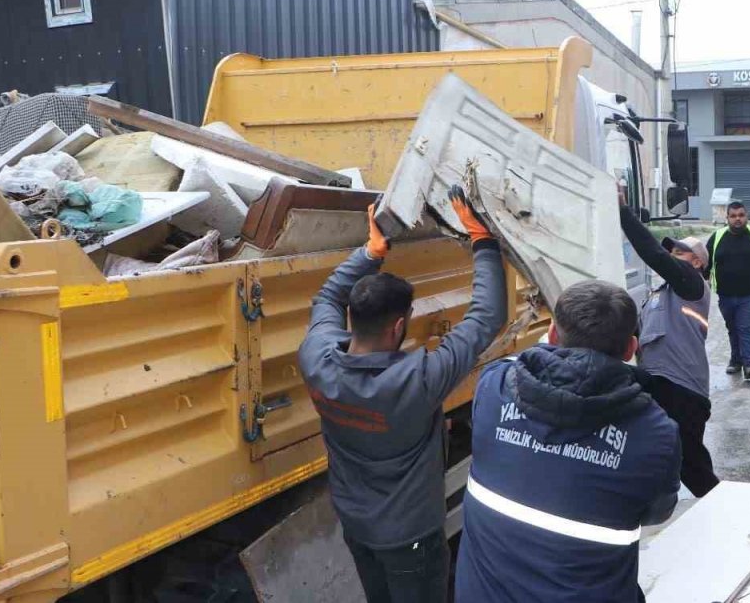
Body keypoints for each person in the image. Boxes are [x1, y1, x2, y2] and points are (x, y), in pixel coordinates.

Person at [297, 189, 506, 603]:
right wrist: (482, 241)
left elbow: (326, 298)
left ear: (351, 318)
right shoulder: (418, 379)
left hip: (357, 527)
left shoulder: (316, 357)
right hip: (411, 537)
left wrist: (370, 252)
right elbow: (488, 316)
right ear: (397, 328)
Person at [455, 280, 682, 603]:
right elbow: (657, 512)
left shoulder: (494, 386)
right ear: (632, 349)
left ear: (551, 335)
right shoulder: (655, 434)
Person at [619, 201, 719, 497]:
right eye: (672, 251)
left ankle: (726, 511)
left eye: (679, 252)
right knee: (651, 454)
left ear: (698, 262)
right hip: (657, 383)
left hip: (683, 388)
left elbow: (653, 254)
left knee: (692, 466)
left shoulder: (693, 284)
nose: (672, 256)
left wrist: (622, 210)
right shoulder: (656, 296)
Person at [705, 200, 750, 380]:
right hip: (725, 294)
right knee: (733, 328)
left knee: (746, 327)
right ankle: (735, 360)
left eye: (741, 215)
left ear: (747, 216)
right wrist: (703, 285)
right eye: (733, 216)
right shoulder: (716, 238)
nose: (738, 219)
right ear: (727, 218)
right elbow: (705, 265)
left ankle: (749, 364)